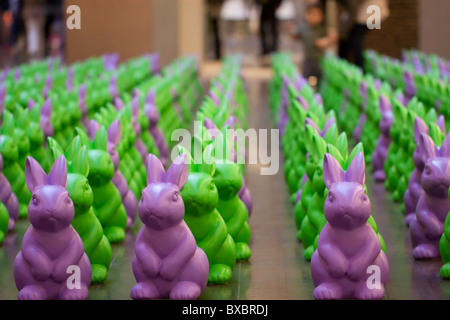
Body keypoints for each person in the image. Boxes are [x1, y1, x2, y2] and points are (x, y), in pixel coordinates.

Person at [289, 3, 331, 82]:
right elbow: (296, 35)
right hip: (307, 58)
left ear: (322, 16)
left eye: (315, 15)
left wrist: (324, 42)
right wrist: (291, 30)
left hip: (320, 59)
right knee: (306, 76)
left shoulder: (323, 28)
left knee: (320, 77)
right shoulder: (304, 28)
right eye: (310, 14)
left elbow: (330, 37)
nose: (313, 17)